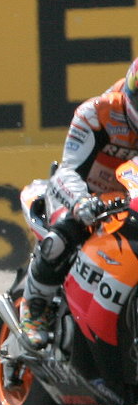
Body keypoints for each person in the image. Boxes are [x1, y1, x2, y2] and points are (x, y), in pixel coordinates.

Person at [19, 58, 138, 349]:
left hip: (131, 200)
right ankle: (35, 310)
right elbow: (69, 169)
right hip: (86, 195)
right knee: (64, 234)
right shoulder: (98, 113)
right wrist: (81, 201)